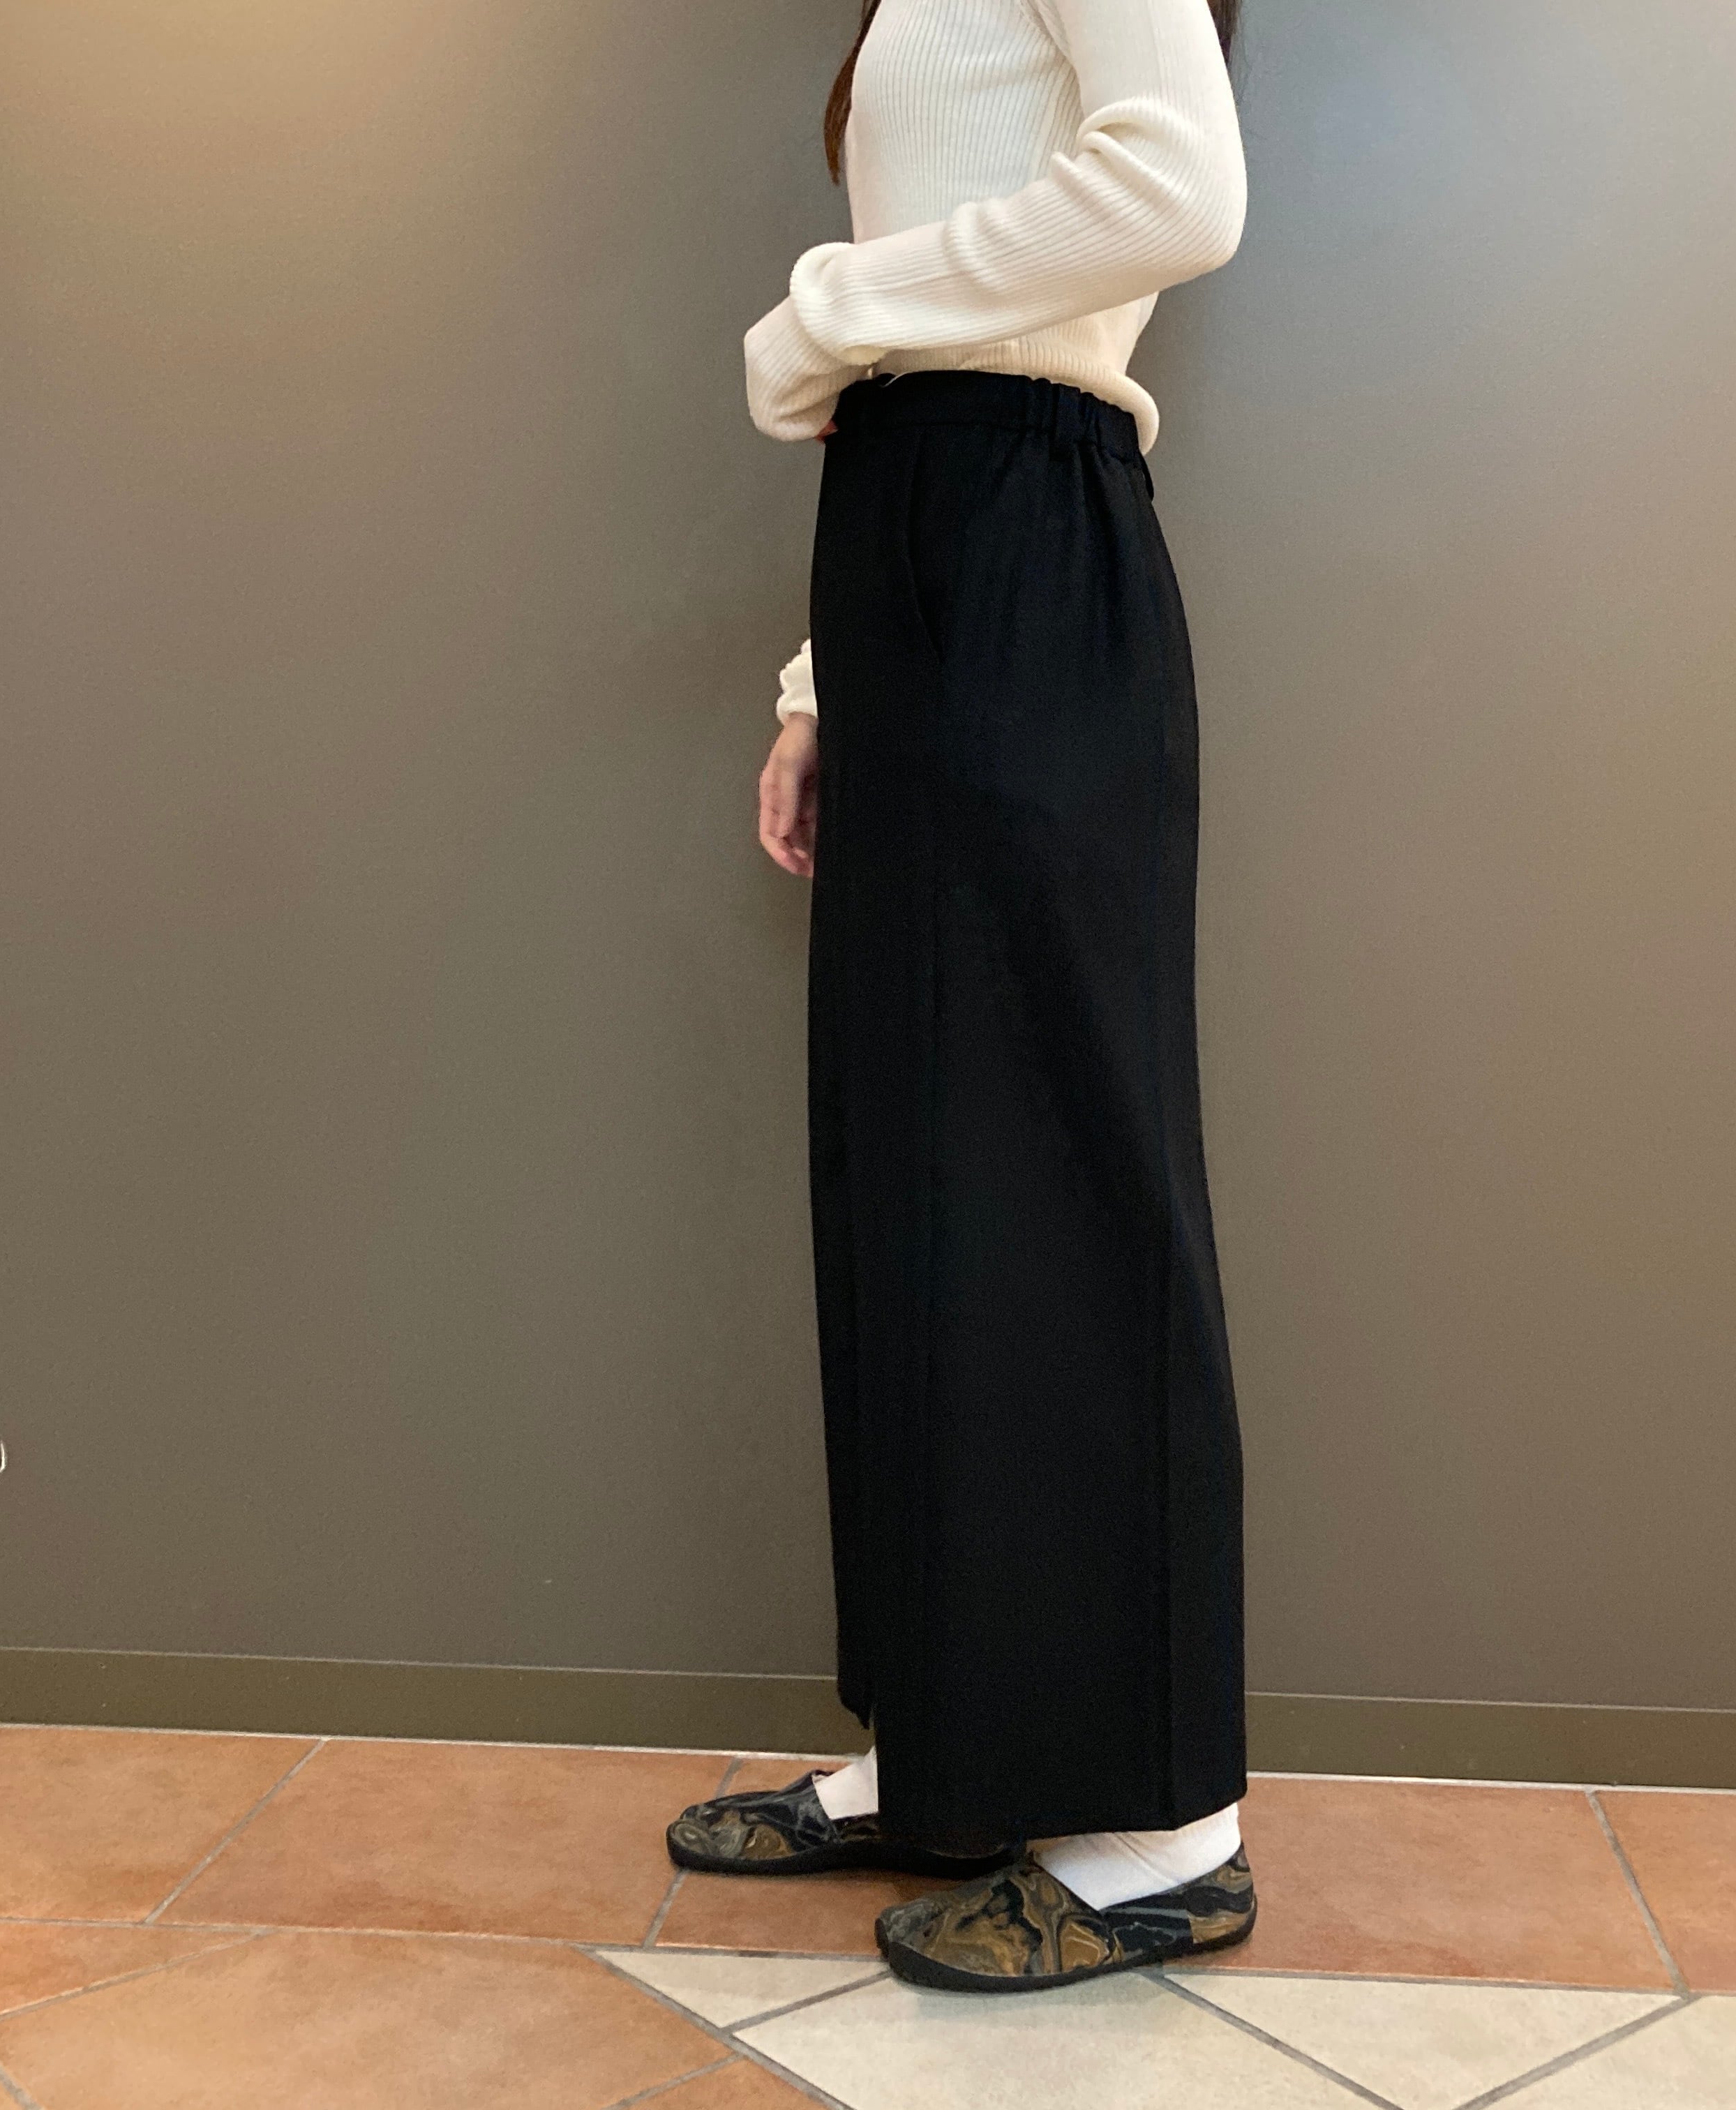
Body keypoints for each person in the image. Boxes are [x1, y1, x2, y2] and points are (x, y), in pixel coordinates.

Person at [665, 0, 1253, 1995]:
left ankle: (1165, 1832)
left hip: (1024, 534)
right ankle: (948, 1753)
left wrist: (829, 304)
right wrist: (818, 684)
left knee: (1060, 1179)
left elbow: (1181, 186)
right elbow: (920, 359)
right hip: (913, 549)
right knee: (914, 1190)